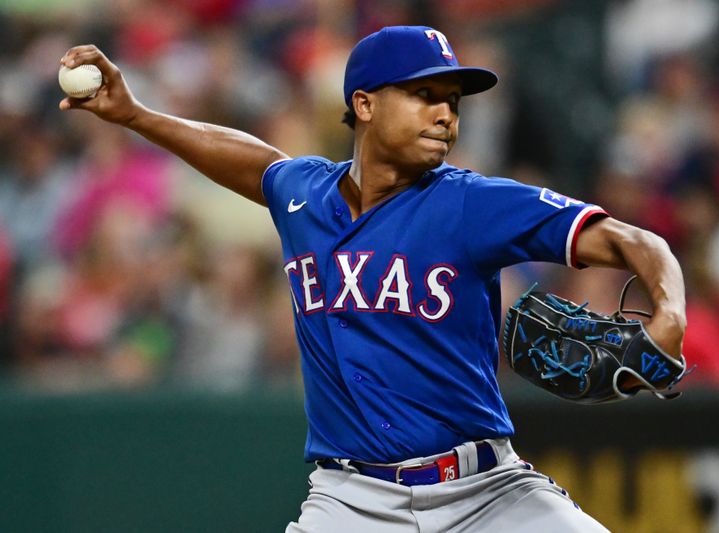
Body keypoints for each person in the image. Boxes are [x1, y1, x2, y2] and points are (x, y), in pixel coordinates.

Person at [59, 25, 686, 533]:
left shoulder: (472, 204)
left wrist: (670, 314)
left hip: (487, 494)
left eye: (453, 102)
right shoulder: (304, 195)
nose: (445, 115)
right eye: (425, 95)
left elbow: (635, 241)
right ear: (363, 103)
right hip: (350, 501)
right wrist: (135, 115)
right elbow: (253, 162)